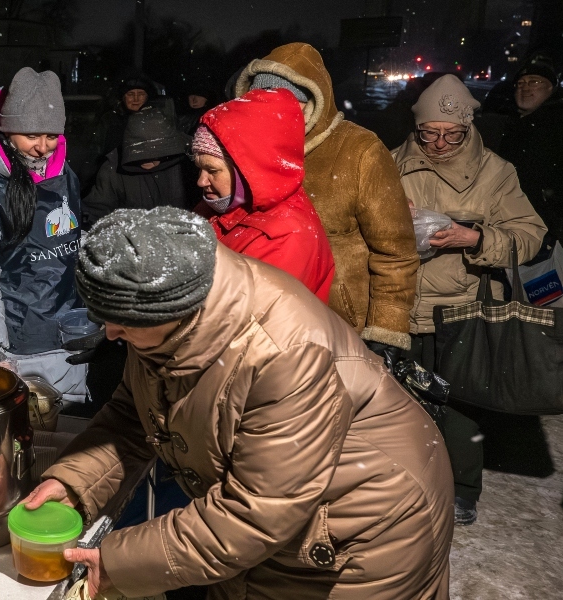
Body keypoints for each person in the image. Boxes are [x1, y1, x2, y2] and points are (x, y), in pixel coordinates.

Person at [26, 206, 453, 599]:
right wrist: (74, 482)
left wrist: (120, 563)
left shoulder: (285, 354)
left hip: (360, 530)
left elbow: (256, 513)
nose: (113, 335)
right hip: (279, 519)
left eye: (123, 324)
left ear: (177, 311)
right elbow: (134, 413)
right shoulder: (162, 313)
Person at [392, 74, 547, 525]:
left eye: (452, 133)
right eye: (429, 133)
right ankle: (406, 483)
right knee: (402, 402)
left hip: (464, 305)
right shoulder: (387, 163)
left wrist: (473, 237)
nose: (439, 143)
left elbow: (530, 236)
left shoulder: (497, 173)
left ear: (468, 127)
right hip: (402, 302)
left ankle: (461, 489)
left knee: (460, 404)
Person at [235, 42, 420, 360]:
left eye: (284, 101)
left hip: (339, 325)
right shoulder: (238, 148)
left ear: (310, 103)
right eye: (259, 100)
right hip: (260, 320)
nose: (270, 111)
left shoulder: (360, 151)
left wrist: (385, 330)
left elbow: (395, 252)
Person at [0, 67, 87, 401]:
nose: (43, 147)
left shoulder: (64, 171)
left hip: (70, 334)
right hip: (18, 342)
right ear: (7, 131)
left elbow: (71, 245)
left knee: (68, 442)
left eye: (52, 136)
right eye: (32, 136)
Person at [191, 88, 335, 303]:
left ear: (246, 170)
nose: (201, 181)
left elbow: (245, 321)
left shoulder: (284, 238)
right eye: (199, 169)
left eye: (212, 171)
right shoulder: (219, 207)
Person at [81, 105, 196, 229]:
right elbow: (96, 211)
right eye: (139, 153)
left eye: (153, 154)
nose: (145, 159)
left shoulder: (187, 165)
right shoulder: (112, 169)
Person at [497, 55, 563, 245]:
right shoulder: (508, 122)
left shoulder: (556, 125)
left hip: (547, 228)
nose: (525, 88)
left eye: (534, 82)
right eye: (520, 83)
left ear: (551, 88)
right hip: (513, 222)